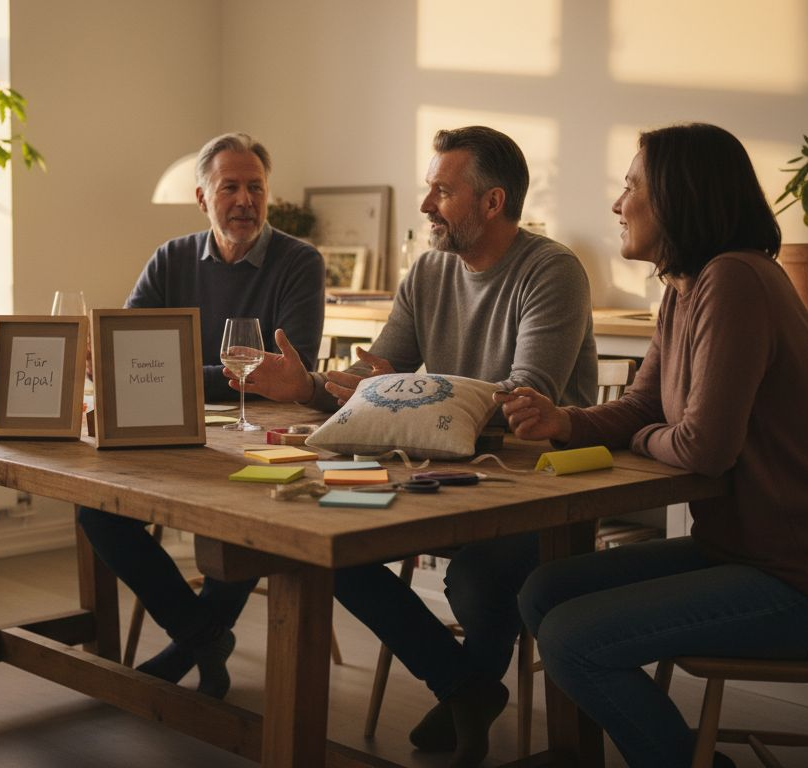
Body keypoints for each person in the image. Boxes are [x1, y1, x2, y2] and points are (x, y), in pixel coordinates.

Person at [500, 123, 808, 768]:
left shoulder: (734, 280)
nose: (618, 204)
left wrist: (646, 438)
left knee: (569, 636)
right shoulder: (686, 287)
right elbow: (644, 406)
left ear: (678, 196)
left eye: (630, 186)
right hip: (741, 553)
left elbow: (704, 449)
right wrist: (565, 422)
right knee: (543, 591)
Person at [237, 125, 598, 767]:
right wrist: (314, 387)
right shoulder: (429, 270)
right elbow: (377, 381)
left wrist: (403, 390)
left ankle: (467, 694)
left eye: (441, 191)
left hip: (538, 485)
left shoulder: (552, 271)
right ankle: (465, 688)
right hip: (438, 472)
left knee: (483, 580)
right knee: (325, 542)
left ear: (491, 202)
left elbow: (523, 399)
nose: (427, 205)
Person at [76, 133, 325, 699]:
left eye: (255, 187)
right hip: (176, 427)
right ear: (201, 197)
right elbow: (128, 349)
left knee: (242, 519)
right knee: (97, 510)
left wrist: (176, 373)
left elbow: (288, 373)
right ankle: (200, 635)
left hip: (262, 432)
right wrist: (203, 375)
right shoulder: (172, 258)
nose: (244, 200)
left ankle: (190, 645)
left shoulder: (299, 262)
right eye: (230, 187)